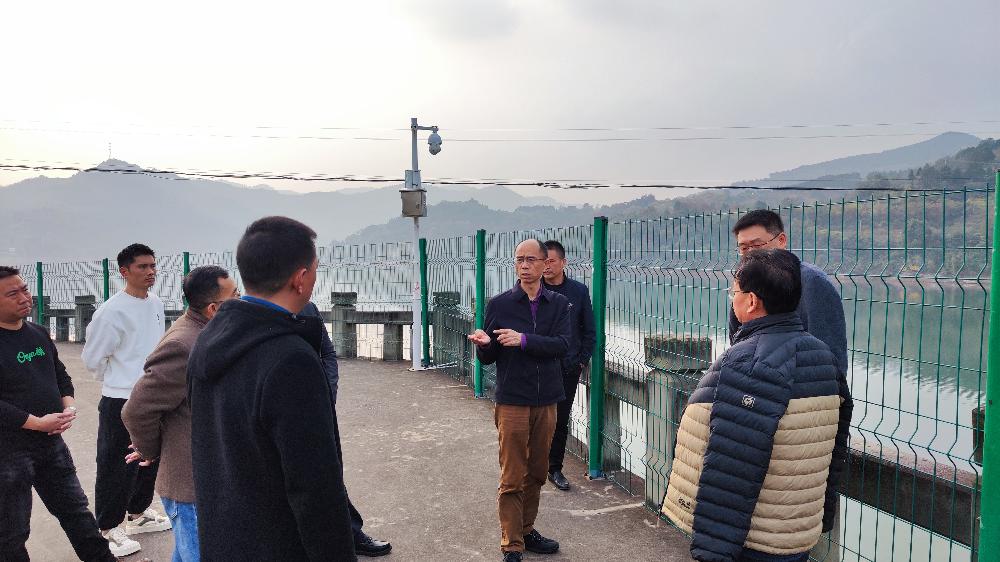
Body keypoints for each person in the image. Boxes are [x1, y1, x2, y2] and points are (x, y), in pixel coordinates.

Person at [661, 250, 853, 562]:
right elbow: (835, 448)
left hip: (753, 538)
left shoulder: (747, 362)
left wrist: (713, 549)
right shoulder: (823, 358)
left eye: (734, 292)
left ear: (751, 301)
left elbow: (729, 464)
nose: (732, 299)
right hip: (796, 531)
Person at [188, 216, 355, 561]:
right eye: (314, 269)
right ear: (301, 278)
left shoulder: (208, 340)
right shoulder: (291, 359)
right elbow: (314, 488)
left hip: (224, 538)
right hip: (278, 543)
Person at [121, 266, 239, 562]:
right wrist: (150, 450)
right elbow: (137, 409)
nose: (241, 300)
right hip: (190, 486)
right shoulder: (183, 345)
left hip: (209, 476)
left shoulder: (207, 331)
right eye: (235, 295)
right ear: (214, 309)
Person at [0, 266, 117, 562]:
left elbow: (60, 375)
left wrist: (69, 407)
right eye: (12, 294)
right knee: (12, 530)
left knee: (76, 511)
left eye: (25, 289)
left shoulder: (38, 332)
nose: (24, 297)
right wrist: (36, 423)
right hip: (9, 452)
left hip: (51, 444)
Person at [468, 239, 571, 562]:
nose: (524, 266)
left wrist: (523, 339)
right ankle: (512, 544)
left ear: (545, 264)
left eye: (531, 260)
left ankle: (526, 530)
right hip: (512, 399)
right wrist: (484, 344)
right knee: (512, 475)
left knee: (538, 471)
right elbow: (488, 356)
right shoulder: (501, 305)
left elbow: (562, 345)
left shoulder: (559, 304)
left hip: (547, 399)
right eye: (519, 260)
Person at [81, 243, 170, 557]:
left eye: (153, 266)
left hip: (152, 396)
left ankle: (138, 513)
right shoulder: (111, 312)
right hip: (121, 399)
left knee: (148, 457)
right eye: (142, 267)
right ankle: (107, 528)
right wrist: (122, 380)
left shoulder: (155, 302)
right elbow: (93, 359)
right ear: (124, 271)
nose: (150, 272)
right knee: (115, 464)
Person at [300, 300, 392, 557]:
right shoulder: (258, 316)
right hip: (280, 414)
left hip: (319, 410)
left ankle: (351, 534)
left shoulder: (308, 309)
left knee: (331, 473)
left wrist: (327, 395)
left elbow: (327, 353)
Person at [728, 209, 848, 376]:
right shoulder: (744, 282)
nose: (750, 253)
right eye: (744, 248)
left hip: (802, 385)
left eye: (757, 245)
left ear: (781, 240)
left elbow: (831, 355)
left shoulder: (812, 281)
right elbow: (736, 338)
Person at [540, 240, 595, 492]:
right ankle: (533, 464)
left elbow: (589, 331)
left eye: (551, 261)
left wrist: (581, 360)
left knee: (561, 419)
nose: (547, 266)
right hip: (537, 365)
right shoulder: (533, 289)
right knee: (534, 417)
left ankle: (554, 468)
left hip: (567, 367)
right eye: (543, 261)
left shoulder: (578, 291)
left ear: (563, 262)